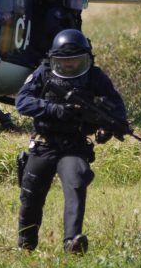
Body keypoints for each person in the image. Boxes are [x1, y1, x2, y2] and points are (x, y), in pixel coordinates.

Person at [15, 29, 128, 253]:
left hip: (74, 145)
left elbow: (117, 109)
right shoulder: (43, 72)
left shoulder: (95, 76)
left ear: (87, 59)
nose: (69, 66)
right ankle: (26, 244)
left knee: (76, 183)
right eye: (64, 62)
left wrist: (105, 128)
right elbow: (22, 102)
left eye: (76, 61)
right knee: (31, 194)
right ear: (53, 59)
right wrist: (53, 109)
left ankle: (72, 242)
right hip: (44, 144)